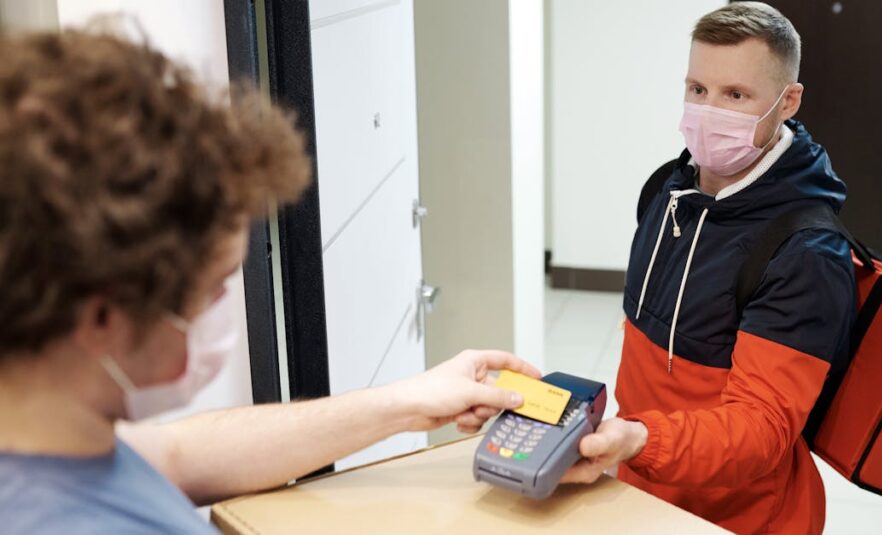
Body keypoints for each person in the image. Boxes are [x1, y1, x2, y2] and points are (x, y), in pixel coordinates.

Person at [0, 29, 539, 534]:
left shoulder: (59, 433)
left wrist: (406, 402)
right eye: (211, 290)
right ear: (102, 318)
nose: (221, 310)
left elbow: (181, 454)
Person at [561, 3, 856, 534]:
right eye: (697, 89)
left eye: (735, 95)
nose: (708, 111)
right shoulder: (667, 190)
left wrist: (640, 440)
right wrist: (628, 444)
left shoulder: (806, 253)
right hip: (641, 492)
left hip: (738, 517)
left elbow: (760, 430)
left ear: (788, 101)